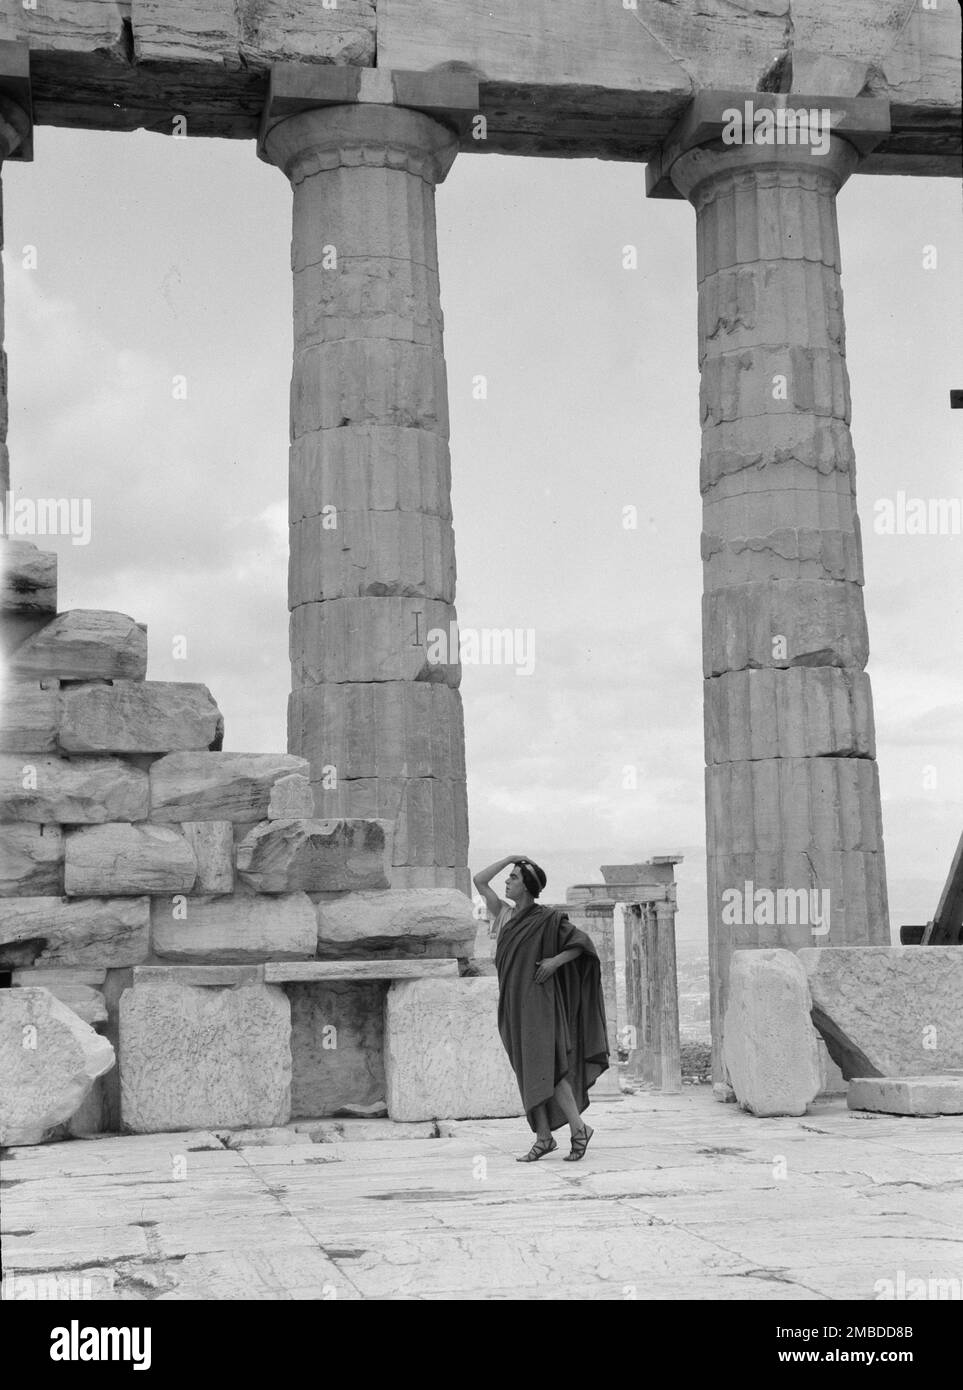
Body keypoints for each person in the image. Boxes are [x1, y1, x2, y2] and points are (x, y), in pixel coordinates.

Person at [472, 854, 609, 1162]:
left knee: (550, 1066)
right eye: (508, 877)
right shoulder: (503, 914)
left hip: (541, 1003)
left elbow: (582, 944)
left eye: (514, 878)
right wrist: (509, 859)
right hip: (512, 1005)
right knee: (528, 1070)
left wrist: (554, 962)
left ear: (528, 886)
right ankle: (546, 1137)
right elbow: (480, 880)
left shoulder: (547, 919)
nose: (507, 881)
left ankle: (575, 1130)